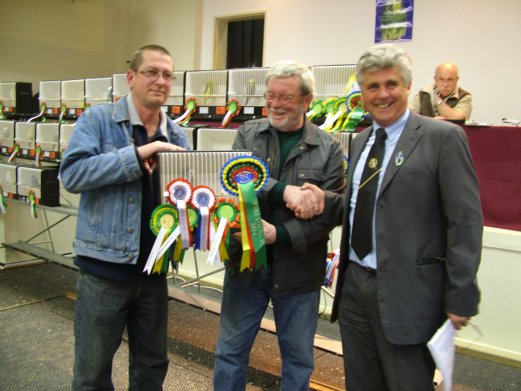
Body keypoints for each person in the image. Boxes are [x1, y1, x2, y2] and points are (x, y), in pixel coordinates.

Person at [307, 44, 482, 391]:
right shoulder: (360, 142)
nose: (382, 94)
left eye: (391, 84)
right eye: (372, 87)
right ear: (362, 93)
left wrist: (461, 293)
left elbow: (464, 221)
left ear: (407, 86)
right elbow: (364, 205)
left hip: (410, 295)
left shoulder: (442, 138)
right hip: (355, 288)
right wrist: (324, 200)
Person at [60, 44, 190, 390]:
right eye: (151, 72)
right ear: (131, 77)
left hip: (154, 274)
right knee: (92, 372)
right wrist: (138, 155)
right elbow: (72, 175)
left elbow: (189, 199)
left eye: (167, 75)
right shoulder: (98, 120)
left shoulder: (177, 135)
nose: (160, 81)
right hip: (104, 270)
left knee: (151, 368)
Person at [213, 60, 345, 391]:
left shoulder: (328, 148)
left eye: (285, 96)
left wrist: (280, 234)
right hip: (246, 267)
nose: (274, 103)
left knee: (298, 360)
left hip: (300, 272)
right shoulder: (248, 133)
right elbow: (236, 180)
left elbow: (329, 215)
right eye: (270, 94)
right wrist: (284, 190)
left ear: (306, 100)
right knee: (230, 353)